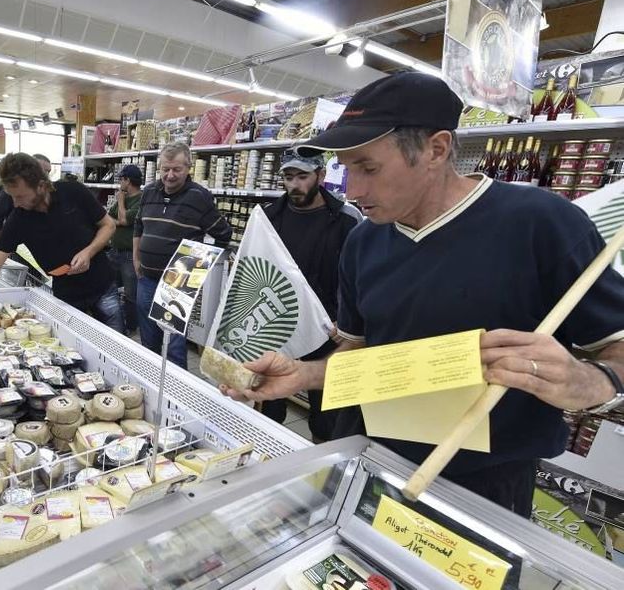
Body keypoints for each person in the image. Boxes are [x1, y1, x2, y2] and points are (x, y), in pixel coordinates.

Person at [223, 72, 624, 517]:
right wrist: (303, 375)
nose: (353, 190)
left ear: (436, 149)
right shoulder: (363, 240)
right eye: (347, 168)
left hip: (483, 486)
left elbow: (616, 348)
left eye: (368, 168)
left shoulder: (543, 224)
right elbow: (363, 353)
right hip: (370, 459)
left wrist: (590, 383)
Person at [0, 152, 124, 337]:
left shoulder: (73, 192)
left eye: (20, 196)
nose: (15, 203)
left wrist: (88, 252)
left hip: (102, 287)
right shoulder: (18, 219)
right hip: (66, 295)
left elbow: (108, 225)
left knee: (115, 344)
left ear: (41, 186)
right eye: (11, 196)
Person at [259, 154, 362, 441]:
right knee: (269, 401)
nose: (294, 185)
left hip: (328, 328)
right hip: (277, 324)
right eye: (288, 177)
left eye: (302, 177)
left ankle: (323, 462)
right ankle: (267, 453)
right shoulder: (268, 216)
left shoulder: (347, 217)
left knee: (326, 412)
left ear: (319, 175)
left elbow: (357, 276)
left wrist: (347, 320)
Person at [134, 142, 232, 368]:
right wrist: (136, 259)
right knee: (148, 339)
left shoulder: (199, 196)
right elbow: (139, 227)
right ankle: (150, 382)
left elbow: (223, 233)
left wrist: (201, 269)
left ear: (188, 167)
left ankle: (176, 397)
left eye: (176, 169)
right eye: (165, 169)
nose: (169, 175)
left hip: (179, 284)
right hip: (147, 277)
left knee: (174, 345)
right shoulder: (148, 191)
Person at [107, 164, 144, 333]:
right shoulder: (125, 198)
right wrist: (119, 221)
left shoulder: (141, 200)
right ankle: (114, 323)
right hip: (114, 252)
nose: (120, 183)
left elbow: (124, 220)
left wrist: (121, 202)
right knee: (109, 289)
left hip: (130, 256)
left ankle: (131, 327)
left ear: (127, 180)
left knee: (131, 296)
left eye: (121, 179)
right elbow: (109, 219)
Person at [0, 153, 52, 243]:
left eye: (48, 172)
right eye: (43, 170)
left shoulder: (49, 190)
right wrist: (1, 243)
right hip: (20, 246)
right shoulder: (14, 189)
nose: (45, 175)